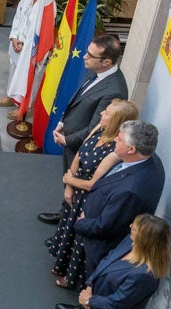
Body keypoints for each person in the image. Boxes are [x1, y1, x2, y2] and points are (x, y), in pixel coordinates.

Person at [57, 121, 167, 309]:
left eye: (119, 139)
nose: (114, 140)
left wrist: (80, 223)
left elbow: (104, 226)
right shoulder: (146, 162)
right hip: (103, 233)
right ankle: (83, 308)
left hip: (103, 242)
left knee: (99, 282)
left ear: (132, 149)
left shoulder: (133, 188)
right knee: (93, 282)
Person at [47, 100, 140, 291]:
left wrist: (69, 181)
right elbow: (79, 154)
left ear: (116, 121)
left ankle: (71, 278)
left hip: (87, 199)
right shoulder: (99, 127)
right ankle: (59, 263)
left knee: (78, 239)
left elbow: (92, 184)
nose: (101, 115)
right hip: (74, 189)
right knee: (66, 228)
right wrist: (69, 186)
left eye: (106, 113)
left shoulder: (115, 153)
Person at [41, 33, 130, 179]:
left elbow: (95, 130)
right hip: (69, 138)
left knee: (72, 187)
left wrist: (67, 140)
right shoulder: (97, 71)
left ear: (106, 62)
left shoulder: (114, 91)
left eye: (90, 55)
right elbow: (79, 99)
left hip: (80, 151)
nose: (84, 56)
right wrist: (63, 122)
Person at [1, 0, 46, 109]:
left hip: (31, 47)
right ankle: (11, 95)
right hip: (18, 41)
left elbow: (42, 31)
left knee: (27, 75)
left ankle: (24, 106)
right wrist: (14, 37)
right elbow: (18, 18)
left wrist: (25, 44)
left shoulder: (48, 5)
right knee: (14, 69)